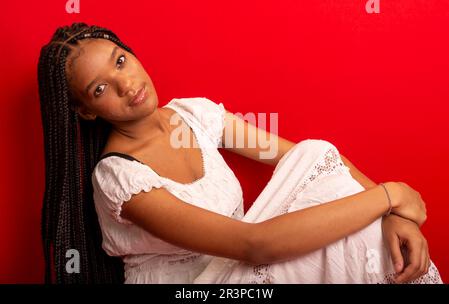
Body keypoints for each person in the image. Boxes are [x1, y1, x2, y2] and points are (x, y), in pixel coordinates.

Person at [37, 22, 443, 284]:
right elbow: (254, 244)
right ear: (86, 111)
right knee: (354, 238)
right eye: (101, 88)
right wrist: (390, 194)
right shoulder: (118, 177)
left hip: (248, 268)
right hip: (207, 286)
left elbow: (309, 157)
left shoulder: (192, 115)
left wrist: (393, 216)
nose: (126, 84)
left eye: (120, 61)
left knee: (317, 157)